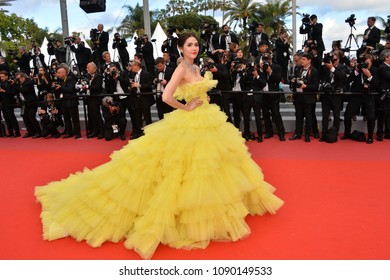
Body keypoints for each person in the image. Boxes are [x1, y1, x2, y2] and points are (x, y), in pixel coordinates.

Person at [34, 32, 283, 260]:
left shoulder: (195, 67)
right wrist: (186, 107)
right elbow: (166, 96)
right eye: (189, 44)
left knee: (210, 166)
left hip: (208, 119)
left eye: (196, 44)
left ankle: (213, 207)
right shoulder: (181, 69)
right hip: (190, 121)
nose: (194, 48)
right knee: (181, 168)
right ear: (180, 48)